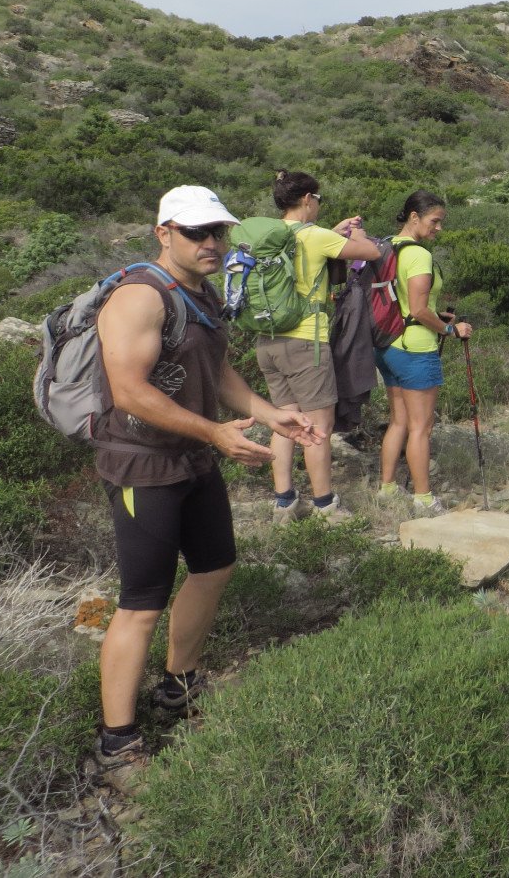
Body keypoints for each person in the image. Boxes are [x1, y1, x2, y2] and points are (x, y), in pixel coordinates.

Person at [93, 186, 321, 779]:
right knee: (141, 602)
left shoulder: (203, 294)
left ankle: (180, 684)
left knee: (214, 567)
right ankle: (116, 742)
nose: (212, 243)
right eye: (197, 233)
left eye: (218, 231)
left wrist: (272, 415)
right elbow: (130, 391)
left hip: (192, 459)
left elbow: (216, 370)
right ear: (163, 232)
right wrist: (215, 433)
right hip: (143, 464)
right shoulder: (140, 298)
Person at [257, 171, 381, 523]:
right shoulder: (315, 237)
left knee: (283, 421)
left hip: (267, 341)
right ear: (308, 199)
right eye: (319, 200)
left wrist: (335, 230)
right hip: (305, 342)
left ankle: (284, 502)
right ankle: (325, 505)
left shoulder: (269, 235)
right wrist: (355, 233)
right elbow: (370, 252)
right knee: (316, 428)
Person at [376, 191, 470, 509]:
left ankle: (387, 488)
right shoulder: (418, 255)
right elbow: (417, 308)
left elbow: (405, 303)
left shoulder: (388, 246)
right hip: (416, 349)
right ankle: (423, 499)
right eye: (435, 221)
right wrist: (449, 328)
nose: (439, 227)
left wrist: (435, 316)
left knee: (398, 421)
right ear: (414, 217)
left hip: (388, 345)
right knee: (421, 426)